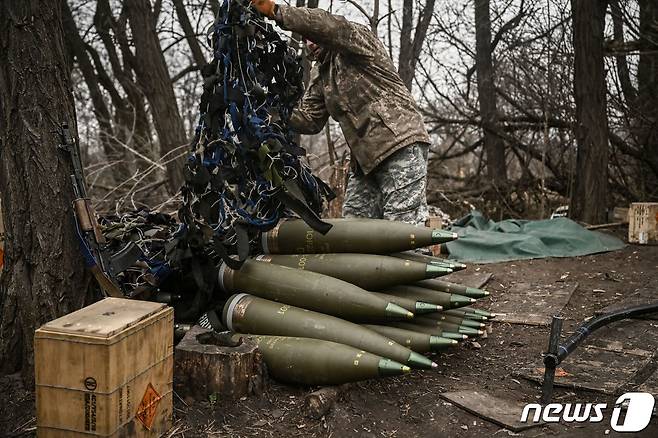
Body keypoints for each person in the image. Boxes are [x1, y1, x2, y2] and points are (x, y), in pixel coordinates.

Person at [252, 0, 431, 226]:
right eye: (306, 40)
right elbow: (309, 119)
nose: (309, 44)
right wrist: (268, 110)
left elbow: (329, 26)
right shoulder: (322, 74)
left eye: (311, 36)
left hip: (399, 144)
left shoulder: (355, 40)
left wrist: (276, 11)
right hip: (365, 162)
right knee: (355, 229)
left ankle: (420, 261)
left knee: (404, 226)